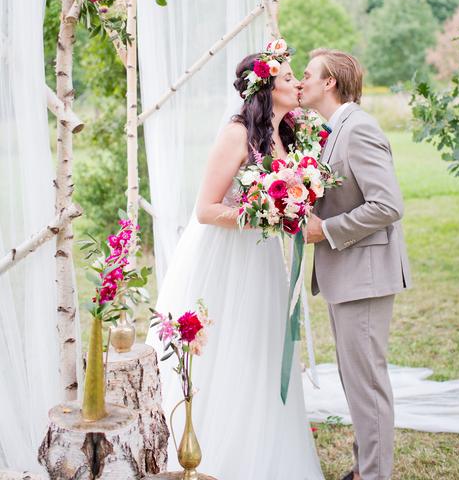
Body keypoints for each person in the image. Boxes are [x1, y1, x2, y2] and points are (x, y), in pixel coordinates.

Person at [147, 43, 324, 480]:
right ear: (266, 89)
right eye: (288, 78)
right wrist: (265, 215)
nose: (297, 83)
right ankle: (209, 449)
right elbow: (206, 209)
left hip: (262, 260)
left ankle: (264, 443)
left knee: (262, 346)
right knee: (227, 349)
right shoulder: (236, 133)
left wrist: (291, 209)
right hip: (225, 258)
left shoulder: (285, 134)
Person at [300, 48, 411, 480]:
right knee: (355, 380)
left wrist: (325, 230)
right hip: (345, 275)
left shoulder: (359, 129)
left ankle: (375, 475)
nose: (301, 81)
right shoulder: (333, 130)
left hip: (365, 276)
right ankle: (365, 468)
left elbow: (388, 205)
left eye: (308, 74)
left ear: (330, 82)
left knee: (367, 384)